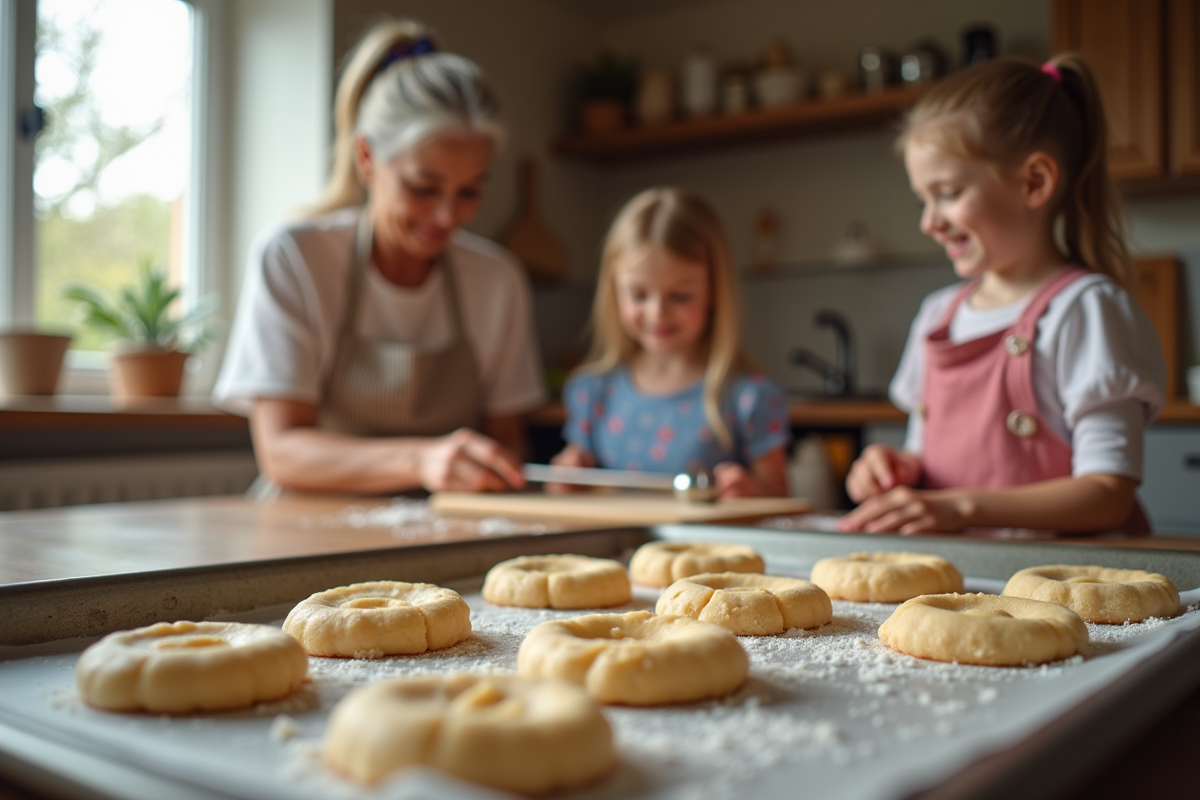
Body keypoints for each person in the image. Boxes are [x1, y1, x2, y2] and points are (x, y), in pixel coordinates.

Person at [212, 20, 545, 495]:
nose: (447, 215)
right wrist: (420, 460)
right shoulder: (295, 257)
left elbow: (506, 440)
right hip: (302, 527)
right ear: (366, 157)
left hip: (441, 528)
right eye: (423, 187)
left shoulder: (497, 279)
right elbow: (281, 450)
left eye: (470, 191)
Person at [838, 54, 1166, 535]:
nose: (928, 222)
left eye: (948, 193)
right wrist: (898, 468)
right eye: (922, 199)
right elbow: (927, 454)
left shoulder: (1084, 309)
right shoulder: (937, 315)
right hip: (970, 581)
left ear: (1034, 182)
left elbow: (1107, 493)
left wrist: (963, 508)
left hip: (1067, 586)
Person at [552, 188, 791, 498]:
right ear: (614, 292)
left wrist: (750, 491)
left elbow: (780, 499)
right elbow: (574, 480)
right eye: (639, 295)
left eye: (679, 296)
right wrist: (566, 476)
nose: (657, 313)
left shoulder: (748, 398)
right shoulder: (593, 392)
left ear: (715, 291)